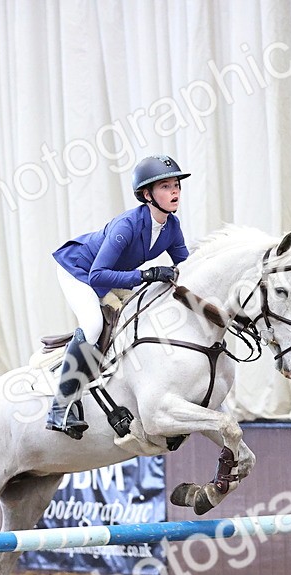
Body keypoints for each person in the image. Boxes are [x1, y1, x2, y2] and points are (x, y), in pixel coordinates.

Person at [46, 154, 191, 438]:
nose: (174, 191)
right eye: (165, 186)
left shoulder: (172, 227)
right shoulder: (127, 226)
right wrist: (147, 275)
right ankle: (60, 408)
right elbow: (97, 275)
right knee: (93, 325)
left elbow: (186, 268)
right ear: (147, 195)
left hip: (109, 274)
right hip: (78, 270)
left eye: (176, 185)